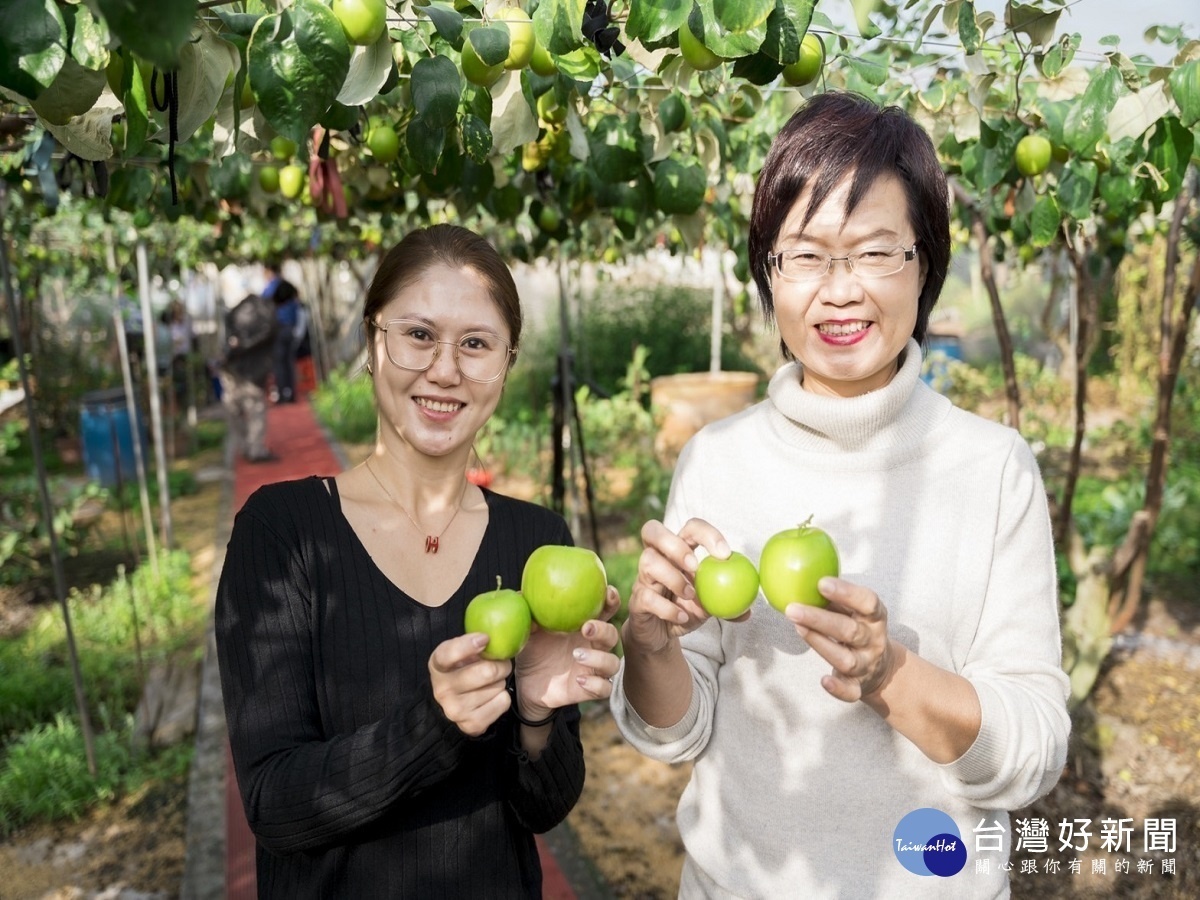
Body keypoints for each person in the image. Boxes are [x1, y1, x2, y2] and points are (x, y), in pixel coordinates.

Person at [611, 91, 1070, 898]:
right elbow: (675, 733)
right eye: (807, 255)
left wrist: (888, 673)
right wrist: (651, 647)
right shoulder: (718, 459)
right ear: (769, 274)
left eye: (874, 252)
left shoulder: (992, 470)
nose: (841, 289)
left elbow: (1032, 750)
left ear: (923, 263)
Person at [215, 224, 622, 898]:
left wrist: (537, 714)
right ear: (373, 343)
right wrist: (433, 728)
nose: (445, 369)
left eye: (476, 344)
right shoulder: (282, 531)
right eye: (419, 335)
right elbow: (275, 803)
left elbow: (543, 808)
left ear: (505, 364)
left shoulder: (538, 540)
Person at [218, 292, 278, 463]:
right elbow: (269, 334)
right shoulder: (266, 315)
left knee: (234, 409)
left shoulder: (235, 313)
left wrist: (235, 347)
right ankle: (255, 449)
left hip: (233, 367)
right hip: (253, 369)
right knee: (255, 409)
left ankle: (246, 446)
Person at [263, 258, 301, 403]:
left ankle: (281, 394)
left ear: (268, 271)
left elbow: (264, 308)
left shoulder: (270, 288)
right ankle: (291, 394)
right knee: (289, 362)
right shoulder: (289, 286)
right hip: (290, 329)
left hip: (278, 330)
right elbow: (296, 308)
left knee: (279, 363)